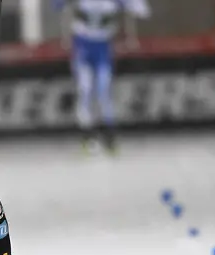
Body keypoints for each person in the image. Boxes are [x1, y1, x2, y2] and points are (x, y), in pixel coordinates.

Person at [54, 0, 151, 153]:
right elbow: (57, 5)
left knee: (103, 92)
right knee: (85, 90)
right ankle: (87, 136)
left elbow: (142, 10)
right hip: (82, 47)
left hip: (102, 48)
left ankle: (109, 136)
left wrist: (131, 10)